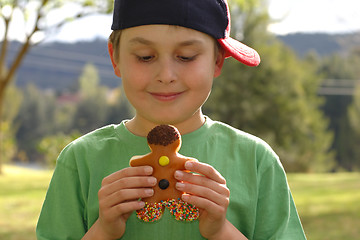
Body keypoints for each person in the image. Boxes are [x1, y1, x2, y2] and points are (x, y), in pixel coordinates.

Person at [36, 0, 307, 239]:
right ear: (115, 58)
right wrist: (103, 231)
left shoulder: (256, 161)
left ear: (217, 61)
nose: (166, 75)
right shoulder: (80, 161)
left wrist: (221, 231)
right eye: (145, 57)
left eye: (186, 57)